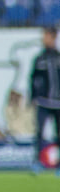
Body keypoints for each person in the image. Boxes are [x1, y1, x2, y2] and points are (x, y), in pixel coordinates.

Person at [30, 26, 60, 173]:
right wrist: (33, 97)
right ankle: (37, 162)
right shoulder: (39, 59)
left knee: (58, 133)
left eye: (46, 36)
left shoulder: (58, 58)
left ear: (53, 37)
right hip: (43, 102)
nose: (44, 39)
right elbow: (33, 79)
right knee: (39, 132)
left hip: (58, 103)